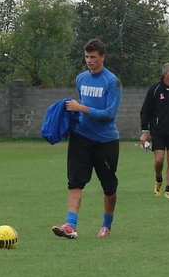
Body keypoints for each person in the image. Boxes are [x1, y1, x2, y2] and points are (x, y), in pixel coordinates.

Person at [52, 38, 122, 239]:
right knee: (75, 182)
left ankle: (106, 225)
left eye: (93, 57)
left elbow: (109, 114)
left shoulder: (112, 82)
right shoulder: (81, 78)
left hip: (106, 141)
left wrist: (81, 108)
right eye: (86, 57)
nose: (89, 60)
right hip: (81, 137)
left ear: (103, 57)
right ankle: (70, 225)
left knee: (109, 187)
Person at [140, 63, 169, 199]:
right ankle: (158, 178)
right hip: (158, 130)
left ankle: (168, 189)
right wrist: (145, 130)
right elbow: (145, 111)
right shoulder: (155, 89)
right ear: (166, 74)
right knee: (159, 160)